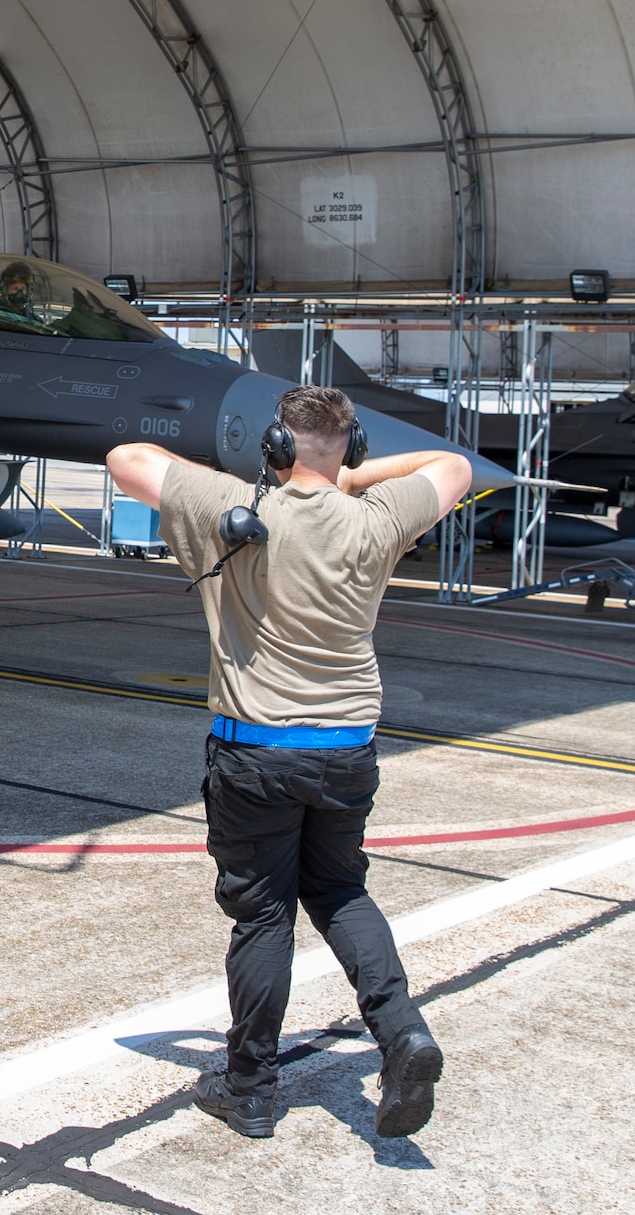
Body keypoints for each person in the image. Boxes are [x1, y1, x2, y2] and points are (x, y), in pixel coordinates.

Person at [106, 385, 473, 1141]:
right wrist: (351, 476)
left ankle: (251, 1090)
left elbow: (125, 458)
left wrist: (275, 479)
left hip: (257, 753)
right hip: (346, 750)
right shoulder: (379, 516)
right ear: (354, 445)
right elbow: (453, 466)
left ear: (274, 446)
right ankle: (402, 1033)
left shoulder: (241, 508)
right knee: (340, 891)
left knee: (264, 916)